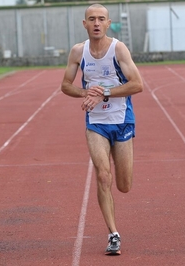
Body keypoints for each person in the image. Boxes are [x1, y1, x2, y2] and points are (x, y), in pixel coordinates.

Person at [60, 3, 143, 256]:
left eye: (101, 19)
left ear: (108, 24)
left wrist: (104, 92)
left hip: (122, 120)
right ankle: (113, 234)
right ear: (84, 24)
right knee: (103, 176)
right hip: (96, 123)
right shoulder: (78, 52)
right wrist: (86, 92)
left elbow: (137, 85)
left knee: (124, 184)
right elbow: (65, 85)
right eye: (92, 19)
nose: (96, 23)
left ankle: (120, 173)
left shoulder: (118, 49)